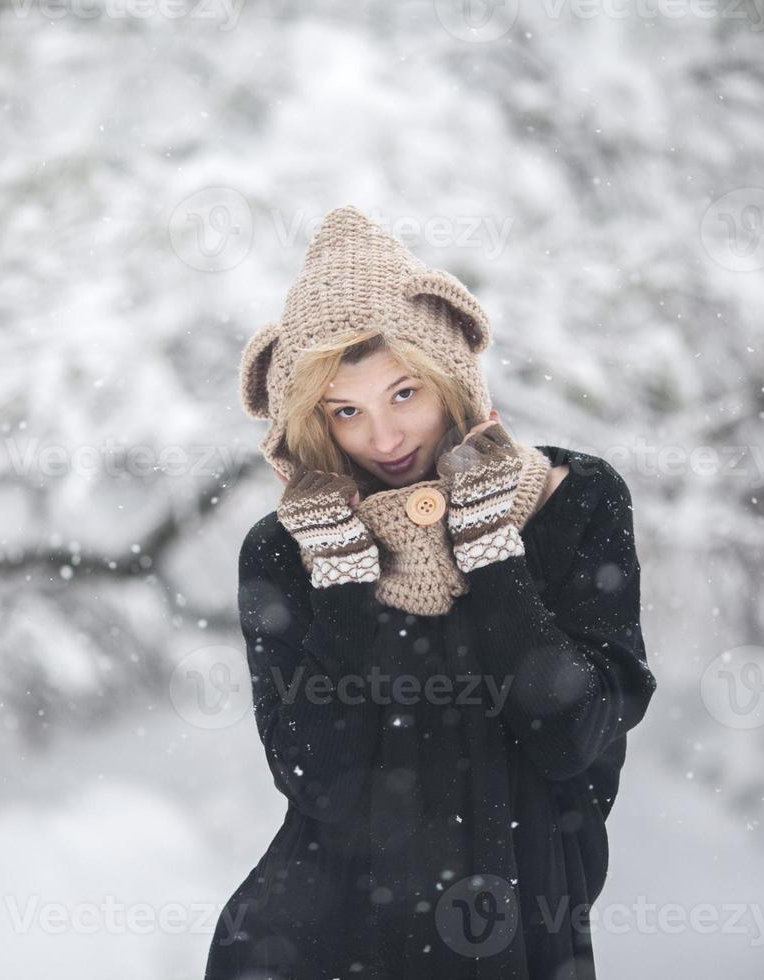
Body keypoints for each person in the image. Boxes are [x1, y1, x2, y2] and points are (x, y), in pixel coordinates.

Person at [204, 205, 656, 980]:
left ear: (452, 377)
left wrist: (492, 556)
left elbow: (571, 735)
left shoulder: (572, 500)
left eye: (405, 393)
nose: (383, 438)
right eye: (346, 411)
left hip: (522, 944)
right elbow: (321, 780)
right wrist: (343, 584)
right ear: (312, 426)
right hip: (317, 951)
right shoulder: (288, 549)